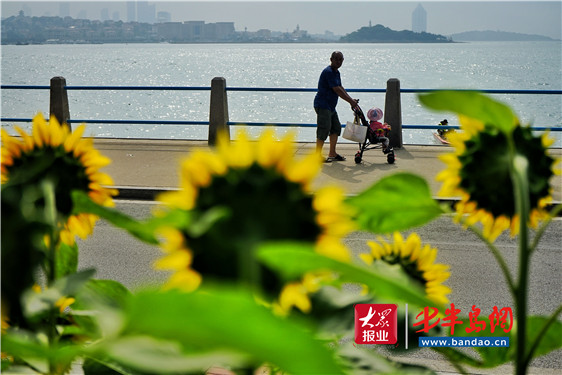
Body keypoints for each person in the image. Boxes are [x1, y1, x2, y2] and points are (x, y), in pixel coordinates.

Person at [314, 51, 359, 162]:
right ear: (331, 59)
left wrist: (351, 99)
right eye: (336, 59)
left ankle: (332, 153)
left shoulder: (336, 72)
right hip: (323, 105)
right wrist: (350, 102)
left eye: (340, 60)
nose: (338, 62)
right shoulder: (328, 72)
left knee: (335, 128)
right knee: (323, 129)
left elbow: (340, 87)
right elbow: (336, 89)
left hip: (331, 106)